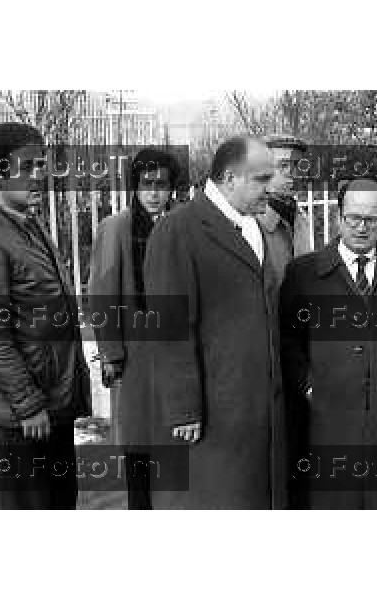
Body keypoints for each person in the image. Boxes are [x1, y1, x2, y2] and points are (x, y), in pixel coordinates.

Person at [127, 135, 285, 508]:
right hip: (212, 416)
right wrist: (183, 408)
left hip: (254, 411)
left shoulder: (253, 226)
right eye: (262, 179)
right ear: (230, 178)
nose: (271, 188)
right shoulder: (179, 229)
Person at [0, 123, 91, 509]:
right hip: (26, 416)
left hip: (52, 405)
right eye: (28, 167)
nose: (39, 177)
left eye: (41, 166)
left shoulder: (28, 225)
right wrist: (28, 405)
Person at [280, 178, 377, 509]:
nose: (362, 228)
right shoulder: (304, 273)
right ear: (338, 216)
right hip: (327, 426)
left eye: (372, 220)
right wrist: (308, 386)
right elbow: (288, 341)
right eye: (354, 219)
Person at [88, 147, 179, 510]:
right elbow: (102, 293)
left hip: (175, 349)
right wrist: (110, 353)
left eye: (162, 184)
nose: (154, 193)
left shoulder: (182, 224)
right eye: (146, 184)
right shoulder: (117, 227)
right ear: (134, 187)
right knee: (140, 446)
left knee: (175, 440)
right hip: (135, 355)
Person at [256, 134, 313, 285]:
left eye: (298, 165)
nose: (293, 174)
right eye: (283, 166)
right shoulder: (250, 223)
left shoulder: (300, 217)